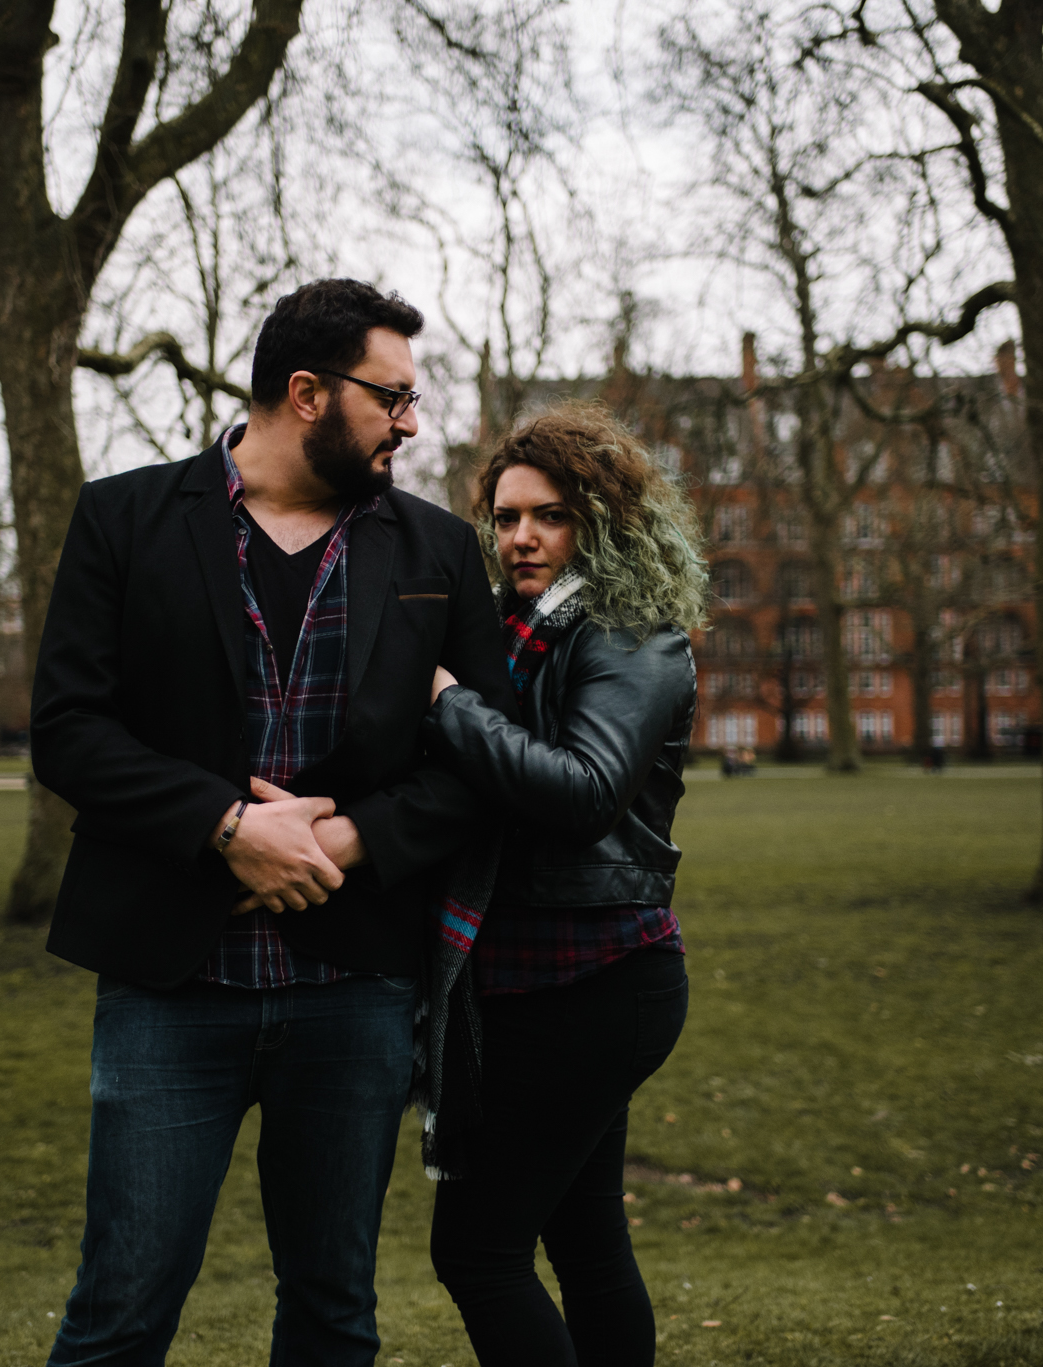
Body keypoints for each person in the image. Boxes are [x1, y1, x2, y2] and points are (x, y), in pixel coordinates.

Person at [28, 278, 519, 1366]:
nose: (411, 420)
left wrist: (351, 839)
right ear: (305, 392)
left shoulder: (437, 551)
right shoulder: (124, 518)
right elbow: (66, 728)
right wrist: (221, 823)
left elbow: (480, 761)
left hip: (355, 992)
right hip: (168, 984)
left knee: (334, 1309)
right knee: (119, 1306)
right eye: (390, 396)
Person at [419, 403, 709, 1366]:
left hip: (593, 978)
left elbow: (583, 792)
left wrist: (450, 705)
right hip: (537, 976)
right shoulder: (524, 630)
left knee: (476, 1250)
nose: (522, 537)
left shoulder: (633, 638)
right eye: (505, 518)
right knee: (586, 1242)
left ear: (602, 520)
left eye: (549, 515)